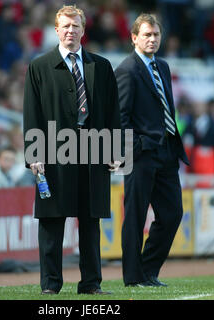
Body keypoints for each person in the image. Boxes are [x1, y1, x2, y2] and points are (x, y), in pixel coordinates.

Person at [23, 5, 121, 295]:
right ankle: (50, 286)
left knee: (91, 223)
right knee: (52, 223)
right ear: (56, 30)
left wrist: (116, 150)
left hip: (94, 152)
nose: (70, 31)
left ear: (83, 30)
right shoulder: (39, 67)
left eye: (75, 26)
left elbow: (114, 112)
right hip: (54, 152)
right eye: (65, 26)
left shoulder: (101, 67)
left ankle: (91, 285)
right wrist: (33, 154)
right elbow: (32, 114)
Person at [115, 13, 189, 287]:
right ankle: (134, 278)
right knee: (135, 216)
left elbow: (165, 108)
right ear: (134, 37)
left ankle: (147, 270)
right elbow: (119, 118)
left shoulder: (164, 67)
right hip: (140, 154)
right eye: (147, 34)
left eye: (156, 34)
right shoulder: (126, 69)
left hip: (167, 152)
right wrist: (132, 149)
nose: (152, 39)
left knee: (172, 214)